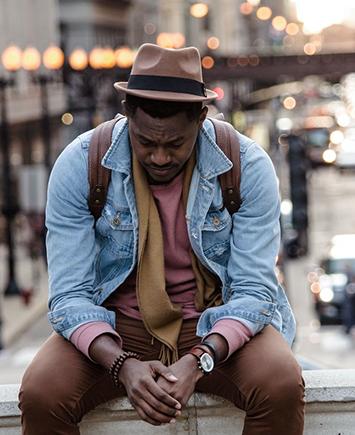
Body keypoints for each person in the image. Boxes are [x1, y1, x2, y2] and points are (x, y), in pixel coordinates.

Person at [19, 43, 305, 434]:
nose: (158, 157)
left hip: (215, 321)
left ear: (201, 119)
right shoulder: (80, 164)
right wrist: (122, 364)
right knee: (42, 393)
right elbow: (68, 296)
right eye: (145, 142)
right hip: (115, 326)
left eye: (175, 144)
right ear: (127, 113)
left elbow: (255, 292)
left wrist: (199, 359)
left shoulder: (247, 166)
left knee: (280, 383)